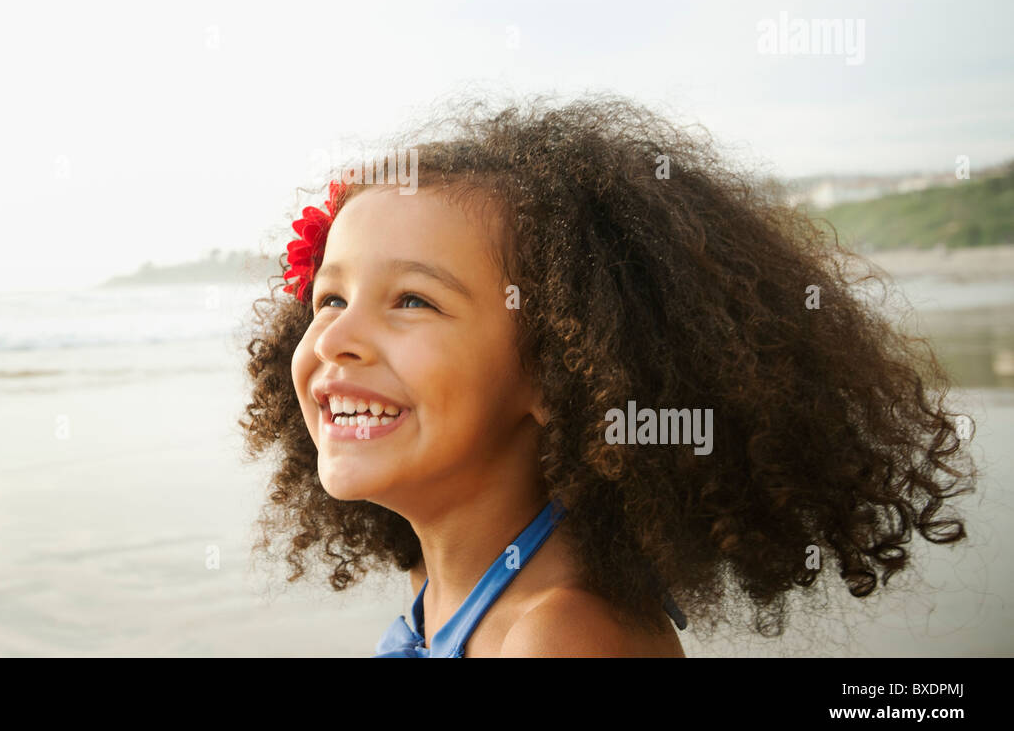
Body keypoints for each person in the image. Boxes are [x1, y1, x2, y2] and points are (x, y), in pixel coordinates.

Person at [238, 92, 976, 657]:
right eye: (329, 297)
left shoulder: (561, 636)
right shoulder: (450, 591)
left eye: (411, 300)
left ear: (558, 370)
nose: (336, 336)